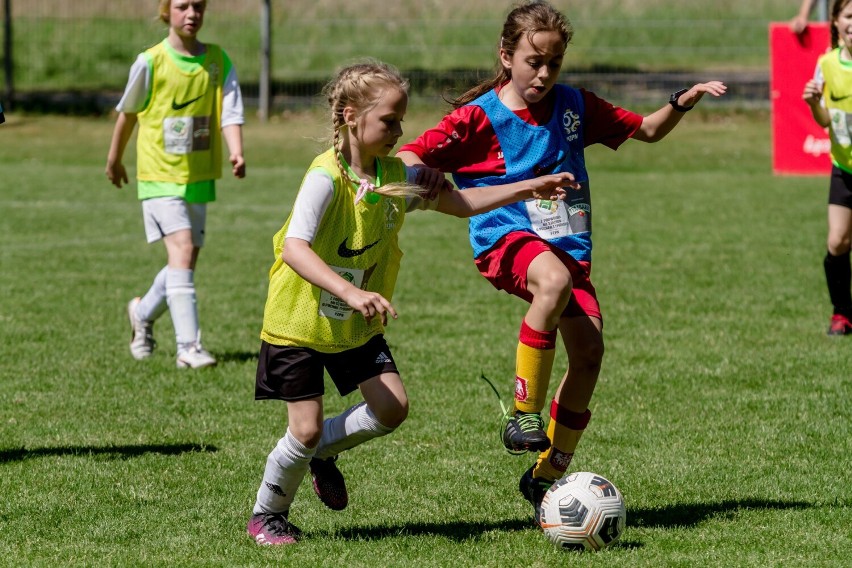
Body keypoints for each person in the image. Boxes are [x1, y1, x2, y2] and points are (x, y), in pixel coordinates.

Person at [397, 0, 726, 521]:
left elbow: (648, 130)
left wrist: (680, 102)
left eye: (554, 63)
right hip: (506, 240)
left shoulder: (573, 106)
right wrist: (426, 175)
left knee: (590, 353)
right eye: (534, 61)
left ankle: (547, 473)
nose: (544, 73)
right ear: (507, 56)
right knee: (549, 281)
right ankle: (523, 413)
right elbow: (410, 154)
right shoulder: (478, 118)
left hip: (568, 249)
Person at [245, 60, 577, 546]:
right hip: (299, 322)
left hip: (352, 323)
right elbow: (294, 248)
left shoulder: (396, 175)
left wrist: (528, 188)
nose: (400, 131)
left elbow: (461, 203)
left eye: (401, 121)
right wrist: (351, 292)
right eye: (389, 121)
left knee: (391, 408)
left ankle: (320, 453)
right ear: (349, 116)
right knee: (306, 426)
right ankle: (267, 514)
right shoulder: (324, 178)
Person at [105, 0, 245, 369]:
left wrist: (236, 151)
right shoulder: (150, 61)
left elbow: (230, 111)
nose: (192, 14)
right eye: (182, 6)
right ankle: (189, 348)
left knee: (184, 262)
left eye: (198, 6)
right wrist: (115, 159)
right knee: (182, 250)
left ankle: (142, 313)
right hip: (158, 175)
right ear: (166, 11)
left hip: (198, 175)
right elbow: (128, 113)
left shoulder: (217, 60)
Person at [802, 0, 852, 335]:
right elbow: (824, 122)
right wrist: (813, 103)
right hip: (844, 168)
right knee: (837, 242)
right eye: (849, 16)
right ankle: (842, 313)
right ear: (835, 22)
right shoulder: (827, 64)